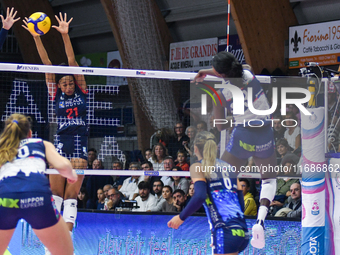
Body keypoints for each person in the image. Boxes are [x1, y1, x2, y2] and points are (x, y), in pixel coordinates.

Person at [193, 52, 276, 249]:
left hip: (243, 135)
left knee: (221, 179)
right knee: (269, 180)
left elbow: (220, 126)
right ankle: (260, 221)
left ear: (222, 74)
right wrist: (209, 72)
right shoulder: (248, 73)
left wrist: (208, 83)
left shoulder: (222, 94)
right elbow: (236, 68)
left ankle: (226, 224)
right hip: (264, 132)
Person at [23, 13, 88, 240]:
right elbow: (47, 64)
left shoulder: (82, 90)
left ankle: (66, 240)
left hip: (80, 143)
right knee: (55, 194)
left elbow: (71, 62)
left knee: (71, 196)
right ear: (59, 85)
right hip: (61, 142)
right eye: (65, 83)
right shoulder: (55, 93)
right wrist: (36, 37)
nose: (69, 85)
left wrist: (65, 35)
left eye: (71, 82)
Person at [0, 113, 77, 255]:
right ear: (30, 133)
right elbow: (64, 165)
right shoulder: (40, 144)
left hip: (6, 199)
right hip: (37, 197)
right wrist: (71, 176)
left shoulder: (1, 148)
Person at [168, 131, 248, 254]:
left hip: (225, 230)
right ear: (215, 148)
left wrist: (181, 217)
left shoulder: (197, 166)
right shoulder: (229, 167)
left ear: (195, 149)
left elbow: (199, 196)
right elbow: (240, 201)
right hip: (242, 230)